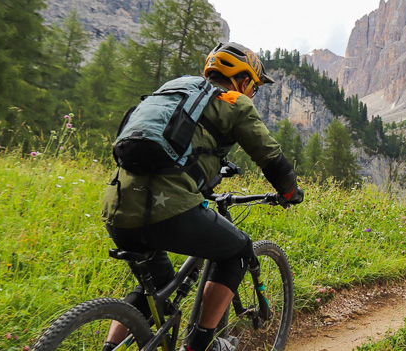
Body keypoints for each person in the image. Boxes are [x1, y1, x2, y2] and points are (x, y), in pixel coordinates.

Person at [99, 42, 303, 351]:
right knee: (238, 251)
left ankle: (109, 348)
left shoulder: (175, 90)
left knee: (157, 287)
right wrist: (289, 192)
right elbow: (271, 159)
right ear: (244, 80)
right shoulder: (234, 101)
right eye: (254, 87)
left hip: (116, 206)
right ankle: (198, 345)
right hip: (168, 210)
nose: (251, 93)